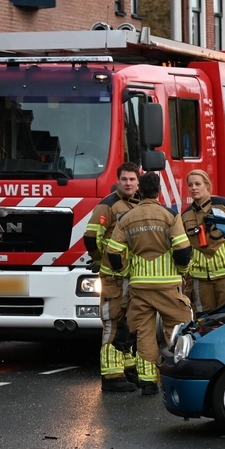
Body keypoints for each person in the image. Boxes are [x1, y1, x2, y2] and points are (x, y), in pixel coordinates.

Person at [106, 173, 193, 396]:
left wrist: (126, 271)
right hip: (168, 285)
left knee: (143, 334)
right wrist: (182, 272)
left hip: (140, 287)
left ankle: (147, 383)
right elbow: (183, 250)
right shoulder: (170, 215)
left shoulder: (127, 217)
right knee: (180, 330)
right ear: (158, 191)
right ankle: (182, 376)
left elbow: (113, 252)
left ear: (139, 191)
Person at [83, 163, 141, 393]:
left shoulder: (139, 204)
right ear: (118, 180)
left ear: (138, 182)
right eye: (124, 179)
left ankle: (127, 370)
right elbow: (90, 237)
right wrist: (101, 259)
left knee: (129, 325)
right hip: (114, 277)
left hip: (132, 276)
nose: (128, 183)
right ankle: (111, 376)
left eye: (132, 179)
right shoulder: (107, 205)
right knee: (113, 324)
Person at [181, 169, 225, 316]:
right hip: (199, 277)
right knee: (203, 319)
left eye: (198, 184)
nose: (193, 188)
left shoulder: (224, 205)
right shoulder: (186, 215)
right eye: (190, 185)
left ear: (207, 185)